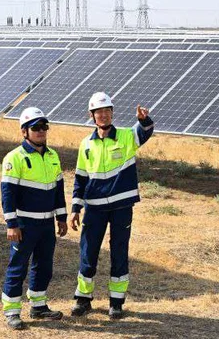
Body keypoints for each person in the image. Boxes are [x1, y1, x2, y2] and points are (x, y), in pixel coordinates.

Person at [70, 92, 154, 320]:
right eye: (99, 112)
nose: (104, 115)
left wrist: (144, 120)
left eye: (107, 111)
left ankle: (116, 303)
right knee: (88, 252)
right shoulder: (85, 144)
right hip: (94, 208)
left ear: (112, 113)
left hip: (121, 208)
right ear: (92, 116)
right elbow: (81, 177)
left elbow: (145, 132)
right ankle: (83, 299)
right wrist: (76, 208)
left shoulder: (126, 136)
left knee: (119, 252)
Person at [0, 107, 69, 330]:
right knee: (18, 267)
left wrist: (62, 217)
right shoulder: (14, 158)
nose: (41, 131)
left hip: (47, 224)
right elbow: (8, 194)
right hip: (24, 224)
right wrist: (12, 224)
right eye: (35, 127)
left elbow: (58, 189)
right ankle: (12, 311)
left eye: (44, 127)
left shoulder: (52, 156)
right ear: (24, 132)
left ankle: (38, 307)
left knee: (44, 266)